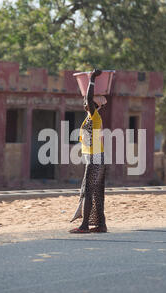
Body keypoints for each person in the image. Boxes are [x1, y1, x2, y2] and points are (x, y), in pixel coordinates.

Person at [69, 69, 107, 233]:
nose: (84, 102)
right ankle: (101, 224)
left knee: (89, 191)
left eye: (88, 101)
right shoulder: (90, 118)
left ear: (95, 105)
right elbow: (88, 98)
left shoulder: (94, 116)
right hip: (97, 157)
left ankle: (85, 225)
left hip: (95, 158)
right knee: (97, 192)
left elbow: (89, 98)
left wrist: (92, 79)